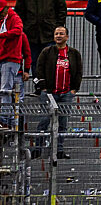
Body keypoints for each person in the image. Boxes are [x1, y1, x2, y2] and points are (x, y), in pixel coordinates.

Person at [32, 25, 81, 159]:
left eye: (61, 34)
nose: (58, 36)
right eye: (56, 34)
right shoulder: (47, 52)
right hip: (49, 93)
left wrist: (74, 89)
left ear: (67, 37)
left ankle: (59, 149)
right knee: (44, 120)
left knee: (63, 123)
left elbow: (78, 72)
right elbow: (39, 69)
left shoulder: (74, 53)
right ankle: (38, 148)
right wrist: (43, 87)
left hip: (66, 94)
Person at [16, 0, 68, 75]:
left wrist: (57, 28)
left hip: (49, 34)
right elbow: (19, 14)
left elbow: (62, 10)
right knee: (34, 62)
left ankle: (50, 84)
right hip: (31, 36)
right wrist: (24, 29)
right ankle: (38, 83)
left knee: (50, 62)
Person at [0, 0, 32, 129]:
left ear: (6, 9)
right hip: (5, 60)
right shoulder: (3, 20)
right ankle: (8, 121)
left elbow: (27, 53)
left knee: (7, 92)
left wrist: (27, 70)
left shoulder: (15, 19)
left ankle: (7, 120)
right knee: (5, 92)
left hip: (12, 63)